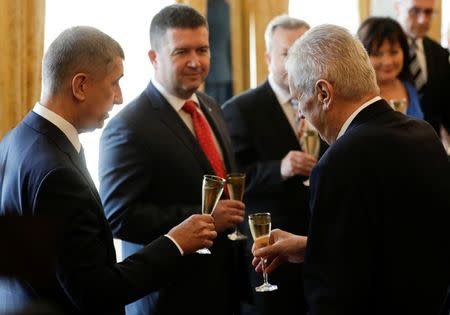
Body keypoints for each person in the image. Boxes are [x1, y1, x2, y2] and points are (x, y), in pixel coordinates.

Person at [0, 26, 217, 315]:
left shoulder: (15, 139)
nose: (119, 97)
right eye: (115, 83)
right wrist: (174, 243)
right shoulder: (58, 174)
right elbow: (98, 292)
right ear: (80, 86)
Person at [252, 24, 450, 314]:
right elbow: (397, 242)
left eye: (298, 100)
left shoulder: (338, 162)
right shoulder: (423, 133)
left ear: (323, 93)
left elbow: (334, 290)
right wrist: (313, 246)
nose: (300, 113)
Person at [99, 4, 246, 315]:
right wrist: (205, 218)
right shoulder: (128, 126)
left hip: (225, 286)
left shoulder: (210, 106)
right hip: (169, 296)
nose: (196, 62)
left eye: (203, 49)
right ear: (154, 58)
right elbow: (118, 216)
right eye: (181, 52)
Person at [222, 15, 322, 315]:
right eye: (287, 53)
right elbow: (232, 178)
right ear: (268, 57)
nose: (296, 60)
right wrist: (280, 168)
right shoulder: (240, 109)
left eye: (304, 51)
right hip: (270, 243)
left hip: (317, 239)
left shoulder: (323, 98)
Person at [395, 0, 450, 134]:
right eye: (415, 11)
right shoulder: (381, 56)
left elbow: (446, 107)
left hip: (430, 143)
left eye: (428, 12)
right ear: (398, 8)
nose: (422, 20)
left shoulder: (440, 53)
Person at [357, 16, 423, 119]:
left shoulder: (409, 86)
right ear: (361, 56)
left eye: (394, 52)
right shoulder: (356, 96)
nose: (387, 62)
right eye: (377, 54)